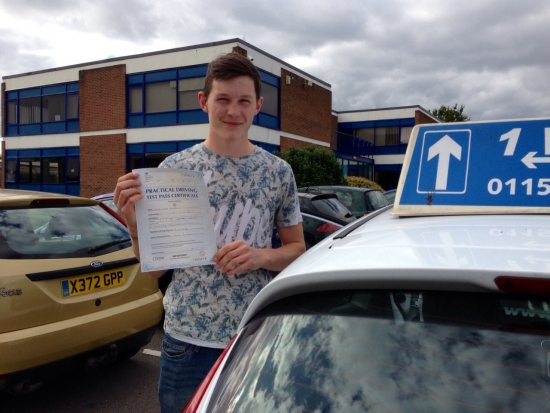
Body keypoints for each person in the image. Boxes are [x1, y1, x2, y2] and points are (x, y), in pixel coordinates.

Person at [113, 52, 306, 413]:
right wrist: (136, 227)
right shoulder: (173, 171)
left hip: (253, 337)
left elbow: (297, 248)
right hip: (185, 344)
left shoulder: (278, 173)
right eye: (223, 99)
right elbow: (156, 270)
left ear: (258, 106)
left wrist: (261, 255)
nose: (233, 111)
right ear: (204, 102)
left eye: (244, 101)